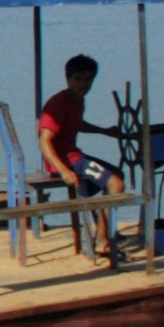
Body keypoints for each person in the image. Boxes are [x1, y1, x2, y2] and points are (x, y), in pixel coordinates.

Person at [33, 53, 126, 266]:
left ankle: (105, 227)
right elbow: (44, 140)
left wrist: (104, 131)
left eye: (87, 80)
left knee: (117, 174)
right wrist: (63, 170)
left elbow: (77, 124)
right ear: (68, 79)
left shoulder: (77, 101)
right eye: (78, 79)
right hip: (67, 162)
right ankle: (102, 242)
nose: (83, 85)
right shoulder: (59, 103)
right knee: (115, 184)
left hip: (75, 157)